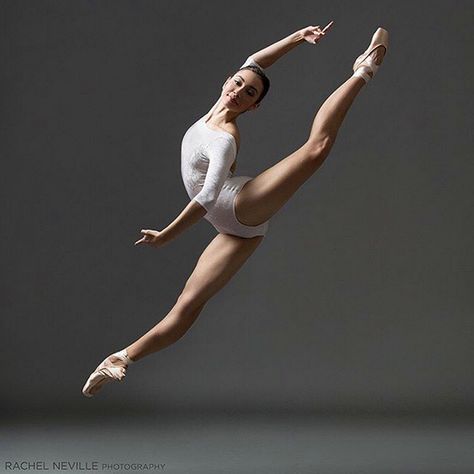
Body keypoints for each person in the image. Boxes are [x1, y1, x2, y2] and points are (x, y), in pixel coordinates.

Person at [82, 23, 389, 397]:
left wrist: (167, 235)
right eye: (238, 84)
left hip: (237, 205)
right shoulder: (221, 102)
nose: (239, 92)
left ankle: (363, 70)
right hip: (234, 232)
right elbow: (257, 61)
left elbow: (209, 196)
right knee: (187, 307)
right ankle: (120, 358)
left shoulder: (224, 138)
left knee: (315, 150)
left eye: (250, 94)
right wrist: (296, 38)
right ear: (227, 80)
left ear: (254, 106)